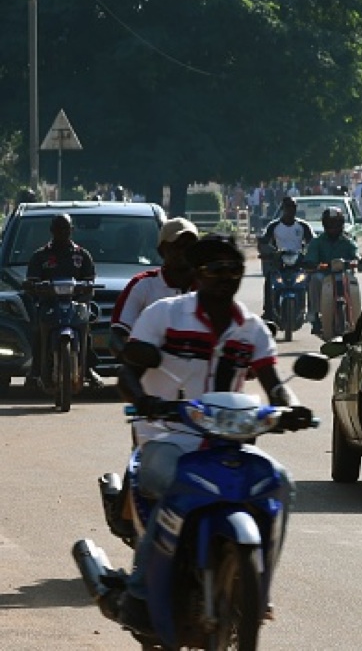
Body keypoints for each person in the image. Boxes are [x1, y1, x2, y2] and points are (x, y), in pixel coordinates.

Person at [112, 233, 306, 635]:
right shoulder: (164, 315)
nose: (227, 278)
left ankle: (258, 591)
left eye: (235, 270)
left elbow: (274, 382)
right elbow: (128, 368)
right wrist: (143, 400)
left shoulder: (251, 329)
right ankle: (139, 593)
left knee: (280, 483)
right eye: (217, 270)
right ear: (198, 275)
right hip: (166, 436)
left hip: (228, 444)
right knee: (173, 487)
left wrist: (291, 407)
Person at [24, 213, 102, 388]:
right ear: (52, 231)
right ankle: (36, 369)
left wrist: (85, 293)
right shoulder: (41, 256)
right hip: (49, 305)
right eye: (58, 229)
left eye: (66, 229)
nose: (62, 233)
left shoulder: (82, 255)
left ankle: (87, 367)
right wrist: (34, 286)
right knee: (38, 330)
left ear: (72, 230)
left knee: (85, 329)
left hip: (75, 304)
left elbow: (90, 282)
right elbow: (32, 281)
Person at [109, 218, 199, 355]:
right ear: (162, 250)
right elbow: (116, 337)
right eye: (177, 245)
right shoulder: (142, 285)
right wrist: (133, 364)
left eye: (189, 246)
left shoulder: (208, 287)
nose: (183, 251)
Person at [303, 208, 359, 334]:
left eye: (336, 224)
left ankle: (356, 317)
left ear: (341, 224)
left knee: (352, 281)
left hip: (344, 274)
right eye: (330, 224)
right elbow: (311, 259)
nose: (333, 227)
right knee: (315, 278)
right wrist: (314, 264)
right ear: (324, 225)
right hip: (324, 275)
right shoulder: (317, 242)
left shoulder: (347, 241)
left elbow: (356, 254)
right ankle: (315, 315)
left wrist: (357, 261)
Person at [259, 197, 315, 320]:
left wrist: (310, 254)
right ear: (283, 209)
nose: (290, 210)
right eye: (288, 207)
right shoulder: (273, 226)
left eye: (293, 207)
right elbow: (264, 241)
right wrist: (266, 253)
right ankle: (268, 311)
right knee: (270, 280)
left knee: (310, 280)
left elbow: (312, 242)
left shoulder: (303, 226)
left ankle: (312, 312)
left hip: (298, 261)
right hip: (279, 262)